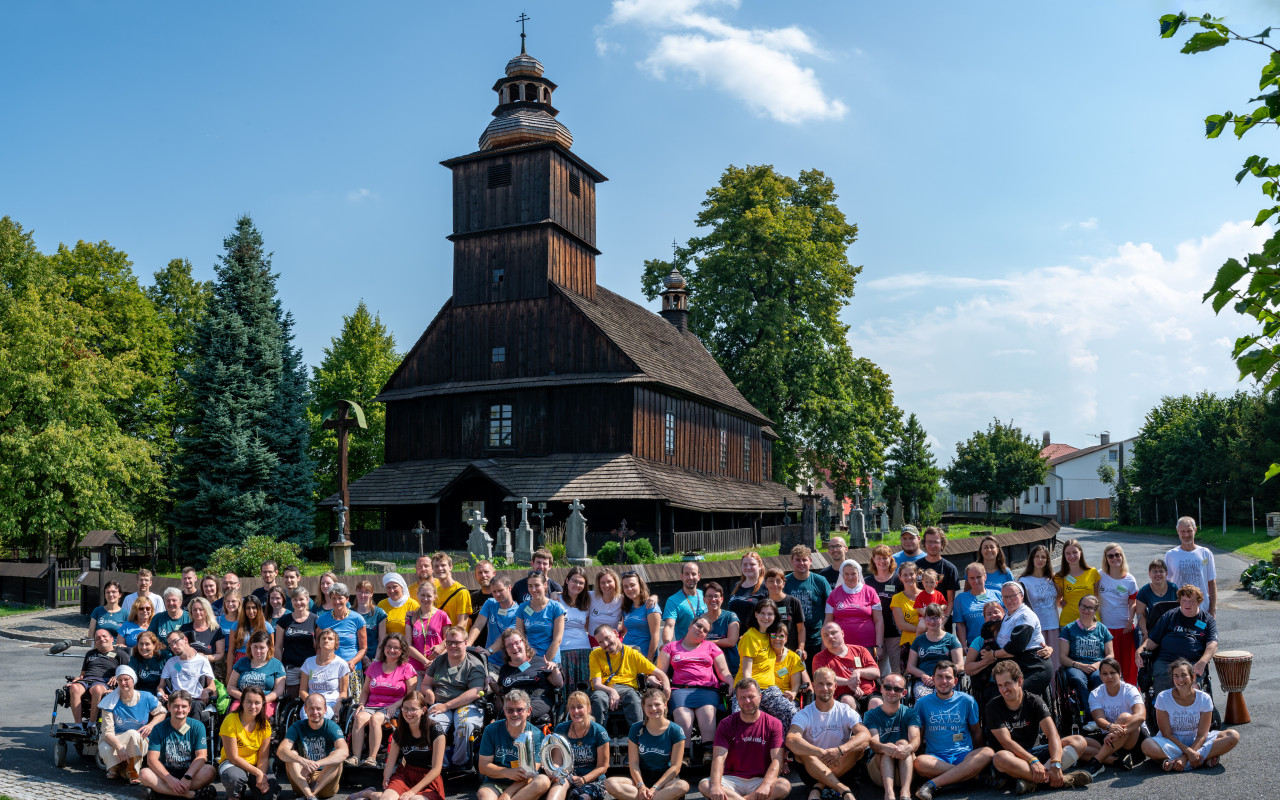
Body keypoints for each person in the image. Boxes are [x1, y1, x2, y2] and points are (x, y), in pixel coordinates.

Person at [986, 661, 1092, 793]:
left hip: (1035, 752)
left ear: (1019, 681)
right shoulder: (993, 707)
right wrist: (1031, 760)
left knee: (1079, 741)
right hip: (1013, 759)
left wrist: (1055, 763)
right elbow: (1006, 742)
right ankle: (1061, 780)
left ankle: (1032, 781)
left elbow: (1052, 734)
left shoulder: (1034, 700)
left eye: (1007, 684)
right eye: (1000, 685)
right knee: (1000, 757)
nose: (1003, 690)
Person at [910, 661, 992, 800]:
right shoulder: (922, 704)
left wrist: (978, 758)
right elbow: (920, 733)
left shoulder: (967, 700)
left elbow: (976, 731)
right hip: (936, 758)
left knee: (988, 752)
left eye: (948, 677)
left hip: (964, 756)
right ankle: (973, 777)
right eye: (939, 676)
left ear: (955, 681)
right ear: (933, 679)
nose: (943, 681)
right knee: (919, 762)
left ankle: (934, 783)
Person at [1141, 658, 1240, 771]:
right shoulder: (1163, 697)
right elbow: (1167, 734)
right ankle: (1201, 759)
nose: (1180, 679)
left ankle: (1177, 762)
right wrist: (1189, 752)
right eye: (1176, 676)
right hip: (1172, 743)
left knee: (1233, 735)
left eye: (1184, 675)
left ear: (1193, 677)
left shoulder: (1204, 698)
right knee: (1147, 745)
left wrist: (1185, 757)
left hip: (1197, 741)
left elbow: (1202, 735)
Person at [697, 679, 789, 800]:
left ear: (760, 697)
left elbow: (777, 760)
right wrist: (715, 786)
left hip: (761, 779)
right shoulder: (726, 723)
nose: (747, 701)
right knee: (705, 785)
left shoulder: (774, 723)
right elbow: (718, 758)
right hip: (732, 780)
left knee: (784, 786)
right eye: (742, 698)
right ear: (737, 699)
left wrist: (766, 785)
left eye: (751, 696)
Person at [785, 667, 869, 800]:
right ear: (813, 686)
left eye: (829, 684)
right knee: (801, 751)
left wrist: (840, 750)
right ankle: (843, 789)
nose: (825, 688)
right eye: (820, 684)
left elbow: (865, 735)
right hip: (812, 770)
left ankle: (819, 786)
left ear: (835, 686)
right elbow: (791, 739)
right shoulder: (805, 713)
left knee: (858, 747)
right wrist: (820, 752)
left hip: (843, 766)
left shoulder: (845, 710)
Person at [654, 616, 733, 749]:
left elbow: (724, 671)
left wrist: (731, 682)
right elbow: (660, 671)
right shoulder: (670, 647)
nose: (701, 630)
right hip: (680, 690)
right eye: (699, 626)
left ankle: (708, 752)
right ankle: (682, 755)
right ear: (691, 625)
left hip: (707, 690)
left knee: (707, 714)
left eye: (705, 630)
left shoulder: (711, 647)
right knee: (683, 718)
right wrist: (653, 678)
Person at [604, 687, 688, 800]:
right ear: (643, 707)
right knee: (610, 783)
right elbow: (633, 764)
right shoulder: (636, 728)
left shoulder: (676, 730)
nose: (653, 708)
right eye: (649, 705)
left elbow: (675, 767)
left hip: (665, 780)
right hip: (642, 778)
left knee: (683, 786)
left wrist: (655, 788)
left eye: (657, 704)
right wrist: (641, 786)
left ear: (665, 705)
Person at [421, 625, 487, 769]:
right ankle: (440, 763)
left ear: (465, 643)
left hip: (466, 704)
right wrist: (429, 693)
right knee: (432, 724)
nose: (452, 646)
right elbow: (426, 684)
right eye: (449, 642)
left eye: (457, 642)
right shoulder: (439, 661)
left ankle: (459, 762)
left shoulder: (474, 664)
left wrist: (446, 706)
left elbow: (476, 691)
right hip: (439, 704)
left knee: (465, 725)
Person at [1135, 584, 1218, 696]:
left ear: (1199, 602)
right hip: (1166, 661)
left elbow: (1212, 644)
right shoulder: (1169, 616)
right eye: (1184, 600)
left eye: (1191, 601)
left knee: (1193, 688)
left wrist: (1203, 661)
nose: (1187, 604)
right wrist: (1140, 650)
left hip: (1192, 661)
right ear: (1179, 601)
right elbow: (1152, 640)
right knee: (1164, 694)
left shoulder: (1207, 620)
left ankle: (1191, 711)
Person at [349, 632, 417, 767]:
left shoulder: (406, 668)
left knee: (376, 719)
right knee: (360, 717)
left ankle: (372, 758)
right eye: (389, 646)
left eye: (396, 647)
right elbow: (366, 690)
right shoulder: (375, 666)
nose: (392, 650)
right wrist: (361, 704)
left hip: (394, 707)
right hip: (372, 705)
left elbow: (411, 695)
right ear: (383, 648)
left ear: (402, 650)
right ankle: (355, 757)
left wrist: (396, 705)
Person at [139, 690, 218, 800]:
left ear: (189, 708)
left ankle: (162, 792)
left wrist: (187, 777)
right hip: (165, 773)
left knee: (210, 770)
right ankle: (192, 795)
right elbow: (152, 760)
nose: (180, 710)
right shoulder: (158, 728)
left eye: (184, 706)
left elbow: (202, 756)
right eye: (176, 706)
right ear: (169, 707)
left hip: (190, 774)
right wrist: (169, 780)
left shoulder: (198, 726)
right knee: (144, 774)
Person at [477, 690, 552, 800]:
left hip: (523, 784)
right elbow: (483, 767)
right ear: (504, 710)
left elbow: (530, 773)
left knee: (543, 782)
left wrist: (507, 794)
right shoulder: (491, 730)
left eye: (519, 710)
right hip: (496, 782)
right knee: (484, 795)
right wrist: (507, 772)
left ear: (529, 711)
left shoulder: (537, 735)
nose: (515, 714)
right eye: (510, 710)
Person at [589, 623, 667, 727]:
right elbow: (596, 684)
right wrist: (612, 691)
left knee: (633, 697)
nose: (606, 643)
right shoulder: (595, 655)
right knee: (598, 698)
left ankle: (638, 735)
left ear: (616, 633)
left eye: (607, 638)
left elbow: (660, 673)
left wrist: (667, 689)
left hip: (627, 688)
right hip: (604, 689)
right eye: (601, 642)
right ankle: (597, 736)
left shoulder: (632, 653)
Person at [734, 599, 796, 728]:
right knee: (742, 718)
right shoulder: (750, 636)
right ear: (756, 614)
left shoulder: (771, 636)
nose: (766, 617)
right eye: (762, 613)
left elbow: (784, 649)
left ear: (775, 616)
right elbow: (747, 672)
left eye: (770, 614)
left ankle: (783, 746)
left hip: (769, 689)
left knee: (792, 713)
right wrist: (751, 695)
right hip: (748, 688)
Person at [98, 664, 165, 783]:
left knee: (133, 734)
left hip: (140, 738)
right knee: (105, 746)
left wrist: (150, 725)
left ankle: (131, 770)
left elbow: (162, 713)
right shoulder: (109, 702)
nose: (123, 683)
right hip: (116, 738)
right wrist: (119, 747)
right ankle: (117, 767)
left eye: (126, 679)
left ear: (133, 680)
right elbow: (107, 733)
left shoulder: (146, 697)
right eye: (120, 680)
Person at [278, 692, 349, 800]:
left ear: (325, 710)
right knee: (291, 754)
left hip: (325, 780)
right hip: (302, 780)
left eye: (318, 709)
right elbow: (281, 751)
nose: (315, 712)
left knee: (336, 756)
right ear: (305, 709)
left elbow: (344, 752)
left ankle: (310, 795)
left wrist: (316, 764)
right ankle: (310, 796)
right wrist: (302, 761)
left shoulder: (331, 726)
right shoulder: (297, 726)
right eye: (311, 708)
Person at [1082, 657, 1147, 770]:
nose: (1109, 677)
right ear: (1100, 676)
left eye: (1112, 673)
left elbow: (1141, 716)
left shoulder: (1130, 689)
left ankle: (1096, 761)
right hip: (1109, 736)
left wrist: (1119, 731)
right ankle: (1117, 761)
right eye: (1105, 674)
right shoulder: (1095, 694)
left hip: (1134, 736)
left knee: (1125, 716)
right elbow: (1099, 719)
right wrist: (1111, 727)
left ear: (1119, 674)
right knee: (1078, 744)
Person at [864, 671, 921, 800]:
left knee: (904, 744)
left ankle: (905, 794)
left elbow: (916, 738)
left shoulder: (910, 713)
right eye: (888, 687)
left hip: (905, 768)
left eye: (897, 689)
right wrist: (886, 748)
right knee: (886, 747)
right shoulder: (871, 715)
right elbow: (873, 743)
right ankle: (889, 795)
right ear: (881, 689)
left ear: (904, 693)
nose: (892, 692)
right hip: (879, 771)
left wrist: (908, 748)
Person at [379, 690, 446, 800]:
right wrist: (386, 777)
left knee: (414, 799)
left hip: (428, 780)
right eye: (405, 708)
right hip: (405, 776)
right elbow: (390, 764)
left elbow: (436, 769)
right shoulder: (400, 731)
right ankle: (372, 794)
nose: (408, 713)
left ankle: (370, 794)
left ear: (423, 710)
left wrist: (412, 791)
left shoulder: (435, 729)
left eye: (413, 709)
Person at [218, 685, 280, 800]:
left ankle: (251, 784)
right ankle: (235, 793)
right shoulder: (230, 720)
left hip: (255, 763)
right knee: (233, 778)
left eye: (257, 702)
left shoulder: (265, 725)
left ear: (262, 705)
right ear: (241, 702)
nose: (253, 706)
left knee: (269, 794)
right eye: (249, 702)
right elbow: (233, 758)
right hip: (232, 763)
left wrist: (262, 776)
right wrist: (259, 773)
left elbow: (263, 757)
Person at [994, 582, 1053, 700]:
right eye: (1005, 597)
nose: (1009, 600)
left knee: (1015, 695)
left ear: (1022, 596)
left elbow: (1017, 646)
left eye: (1013, 596)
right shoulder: (1007, 615)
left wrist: (993, 655)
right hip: (1015, 667)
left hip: (1033, 665)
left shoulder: (1025, 615)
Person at [67, 628, 131, 730]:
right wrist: (77, 679)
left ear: (111, 639)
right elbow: (82, 674)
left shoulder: (120, 654)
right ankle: (78, 726)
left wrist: (118, 676)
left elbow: (128, 673)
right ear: (95, 642)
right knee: (74, 687)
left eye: (104, 636)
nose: (101, 639)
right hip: (87, 679)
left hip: (104, 681)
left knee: (97, 689)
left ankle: (91, 724)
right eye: (98, 638)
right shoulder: (90, 654)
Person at [551, 691, 610, 800]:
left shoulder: (599, 732)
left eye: (580, 707)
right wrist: (555, 772)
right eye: (572, 707)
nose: (576, 711)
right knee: (554, 794)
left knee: (580, 797)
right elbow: (557, 761)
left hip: (593, 779)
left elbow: (603, 766)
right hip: (568, 776)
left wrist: (584, 779)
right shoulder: (561, 729)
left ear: (589, 709)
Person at [499, 628, 565, 724]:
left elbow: (559, 683)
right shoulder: (505, 669)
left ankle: (523, 738)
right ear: (506, 649)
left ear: (524, 643)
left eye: (517, 642)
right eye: (509, 645)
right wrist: (491, 681)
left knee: (521, 713)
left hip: (537, 700)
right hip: (513, 702)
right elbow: (500, 691)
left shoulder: (540, 662)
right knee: (502, 717)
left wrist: (554, 668)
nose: (514, 647)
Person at [824, 558, 884, 660]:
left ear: (859, 574)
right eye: (846, 574)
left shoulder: (870, 592)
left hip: (867, 645)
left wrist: (879, 645)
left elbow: (879, 620)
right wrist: (824, 644)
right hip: (841, 646)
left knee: (867, 674)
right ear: (842, 575)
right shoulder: (833, 594)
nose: (850, 577)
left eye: (853, 574)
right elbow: (828, 622)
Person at [812, 622, 881, 711]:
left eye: (833, 633)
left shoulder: (860, 650)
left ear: (842, 633)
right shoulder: (820, 657)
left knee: (876, 703)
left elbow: (876, 672)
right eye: (826, 635)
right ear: (822, 640)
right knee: (847, 701)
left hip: (869, 693)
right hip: (842, 695)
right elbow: (822, 678)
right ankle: (854, 725)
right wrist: (848, 682)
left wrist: (859, 671)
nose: (830, 637)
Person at [1059, 596, 1114, 704]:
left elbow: (1110, 655)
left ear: (1095, 610)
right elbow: (1063, 657)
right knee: (1077, 679)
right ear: (1079, 607)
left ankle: (1100, 708)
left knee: (1099, 678)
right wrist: (1080, 666)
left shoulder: (1102, 629)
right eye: (1083, 606)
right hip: (1076, 666)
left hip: (1097, 666)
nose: (1086, 610)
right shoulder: (1068, 629)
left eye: (1090, 608)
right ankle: (1088, 713)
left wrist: (1098, 665)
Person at [786, 545, 833, 668]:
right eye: (798, 560)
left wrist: (825, 637)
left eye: (804, 560)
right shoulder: (785, 582)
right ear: (791, 561)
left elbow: (830, 608)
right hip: (791, 638)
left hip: (816, 638)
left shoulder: (820, 581)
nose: (801, 563)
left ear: (810, 561)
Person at [1098, 543, 1139, 684]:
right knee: (1111, 664)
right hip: (1106, 628)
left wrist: (1130, 620)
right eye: (1110, 556)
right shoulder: (1100, 575)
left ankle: (1132, 692)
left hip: (1125, 628)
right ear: (1106, 558)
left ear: (1122, 556)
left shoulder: (1130, 580)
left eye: (1117, 555)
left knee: (1129, 664)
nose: (1114, 558)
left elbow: (1133, 602)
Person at [906, 605, 964, 700]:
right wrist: (923, 675)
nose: (932, 621)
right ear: (924, 619)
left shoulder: (951, 639)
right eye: (929, 618)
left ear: (942, 618)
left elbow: (960, 665)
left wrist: (941, 676)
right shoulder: (918, 641)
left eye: (935, 618)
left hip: (946, 680)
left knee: (943, 695)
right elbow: (910, 667)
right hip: (925, 681)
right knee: (924, 698)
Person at [1019, 545, 1062, 671]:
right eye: (1037, 556)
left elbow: (1059, 598)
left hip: (1053, 625)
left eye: (1043, 557)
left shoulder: (1053, 578)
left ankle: (1056, 691)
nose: (1040, 559)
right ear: (1031, 559)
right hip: (1036, 628)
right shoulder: (1024, 580)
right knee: (1040, 664)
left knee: (1055, 663)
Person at [160, 630, 217, 722]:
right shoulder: (171, 662)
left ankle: (192, 734)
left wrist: (206, 690)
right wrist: (161, 692)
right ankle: (178, 734)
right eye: (170, 645)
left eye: (175, 641)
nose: (173, 646)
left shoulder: (202, 661)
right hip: (176, 698)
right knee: (174, 707)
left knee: (195, 706)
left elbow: (212, 685)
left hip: (195, 700)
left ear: (185, 639)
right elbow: (161, 685)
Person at [1165, 517, 1217, 617]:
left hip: (1202, 609)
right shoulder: (1170, 554)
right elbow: (1167, 584)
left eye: (1189, 531)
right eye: (1183, 531)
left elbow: (1212, 582)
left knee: (1201, 632)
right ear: (1177, 531)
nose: (1186, 535)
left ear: (1195, 530)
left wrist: (1212, 610)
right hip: (1179, 610)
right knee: (1180, 633)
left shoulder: (1206, 553)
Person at [470, 574, 522, 673]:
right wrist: (467, 644)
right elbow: (478, 625)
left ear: (509, 588)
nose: (497, 594)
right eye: (494, 591)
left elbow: (506, 637)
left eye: (500, 590)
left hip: (510, 663)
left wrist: (488, 651)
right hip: (491, 662)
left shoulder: (518, 612)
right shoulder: (490, 603)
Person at [229, 630, 286, 717]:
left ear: (269, 647)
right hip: (243, 700)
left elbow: (278, 690)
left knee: (261, 717)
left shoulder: (276, 665)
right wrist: (245, 698)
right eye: (255, 647)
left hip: (266, 702)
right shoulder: (241, 662)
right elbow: (230, 686)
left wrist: (261, 700)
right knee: (234, 716)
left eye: (262, 647)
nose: (258, 651)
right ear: (250, 646)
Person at [317, 582, 368, 678]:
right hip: (329, 669)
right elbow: (319, 647)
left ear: (347, 599)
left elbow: (363, 648)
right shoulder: (322, 620)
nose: (337, 602)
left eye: (340, 598)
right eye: (333, 598)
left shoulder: (358, 619)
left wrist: (352, 662)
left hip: (352, 669)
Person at [863, 546, 900, 675]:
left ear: (891, 559)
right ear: (873, 560)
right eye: (878, 558)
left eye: (885, 558)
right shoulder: (867, 582)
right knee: (878, 669)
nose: (882, 561)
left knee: (897, 669)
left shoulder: (898, 580)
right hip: (875, 633)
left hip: (894, 632)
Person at [276, 586, 319, 698]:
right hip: (291, 667)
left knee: (310, 699)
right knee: (292, 700)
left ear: (307, 600)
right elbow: (278, 647)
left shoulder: (316, 620)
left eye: (301, 599)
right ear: (291, 601)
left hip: (310, 667)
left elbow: (319, 647)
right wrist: (279, 667)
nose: (298, 602)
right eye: (295, 599)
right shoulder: (283, 620)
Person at [300, 627, 351, 720]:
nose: (326, 640)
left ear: (336, 644)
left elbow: (343, 692)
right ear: (319, 642)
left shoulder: (341, 664)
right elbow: (302, 690)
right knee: (305, 717)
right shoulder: (308, 662)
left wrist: (339, 703)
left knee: (323, 717)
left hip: (330, 703)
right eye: (323, 638)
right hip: (311, 703)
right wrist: (310, 702)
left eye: (330, 639)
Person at [517, 570, 567, 663]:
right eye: (530, 586)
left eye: (537, 585)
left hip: (550, 660)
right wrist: (528, 660)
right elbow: (520, 638)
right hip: (529, 659)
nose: (533, 589)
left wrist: (545, 662)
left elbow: (557, 640)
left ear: (545, 585)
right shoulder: (522, 608)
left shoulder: (556, 608)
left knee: (555, 677)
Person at [558, 566, 595, 689]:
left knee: (584, 687)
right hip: (563, 650)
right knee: (565, 687)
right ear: (567, 580)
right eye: (574, 581)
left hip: (584, 649)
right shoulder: (557, 599)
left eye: (581, 583)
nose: (577, 585)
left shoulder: (587, 601)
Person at [407, 581, 452, 673]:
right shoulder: (411, 617)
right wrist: (426, 661)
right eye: (422, 595)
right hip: (416, 667)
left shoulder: (442, 615)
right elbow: (408, 645)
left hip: (438, 665)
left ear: (435, 597)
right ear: (417, 595)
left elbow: (449, 640)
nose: (425, 599)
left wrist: (436, 661)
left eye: (429, 596)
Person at [953, 563, 1001, 648]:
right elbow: (960, 625)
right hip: (975, 646)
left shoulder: (997, 595)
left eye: (979, 577)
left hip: (1000, 643)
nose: (976, 581)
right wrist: (963, 646)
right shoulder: (961, 599)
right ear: (967, 579)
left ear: (985, 577)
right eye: (972, 578)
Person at [1055, 539, 1099, 628]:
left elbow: (1097, 598)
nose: (1072, 556)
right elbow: (1056, 601)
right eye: (1068, 553)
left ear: (1080, 552)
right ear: (1064, 555)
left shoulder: (1092, 572)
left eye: (1075, 552)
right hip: (1068, 622)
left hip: (1090, 622)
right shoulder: (1060, 577)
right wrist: (1060, 604)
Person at [660, 561, 707, 646]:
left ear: (699, 577)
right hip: (685, 648)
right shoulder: (673, 600)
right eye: (686, 574)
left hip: (707, 645)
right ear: (681, 576)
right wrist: (666, 645)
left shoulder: (706, 595)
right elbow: (669, 626)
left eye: (693, 574)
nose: (690, 577)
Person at [700, 581, 741, 677]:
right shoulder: (699, 620)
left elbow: (731, 641)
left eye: (716, 596)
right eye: (709, 596)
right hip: (707, 670)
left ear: (722, 599)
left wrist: (706, 642)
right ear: (704, 599)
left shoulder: (731, 616)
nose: (713, 599)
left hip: (730, 669)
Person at [227, 594, 274, 678]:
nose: (251, 611)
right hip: (240, 664)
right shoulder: (236, 626)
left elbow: (271, 651)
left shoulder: (267, 627)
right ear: (244, 609)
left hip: (261, 663)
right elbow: (231, 651)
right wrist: (229, 672)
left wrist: (271, 670)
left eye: (254, 607)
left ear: (259, 608)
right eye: (248, 608)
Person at [763, 568, 806, 657]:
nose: (775, 584)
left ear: (783, 584)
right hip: (769, 654)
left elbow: (801, 629)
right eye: (771, 581)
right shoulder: (762, 604)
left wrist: (801, 648)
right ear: (765, 584)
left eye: (778, 581)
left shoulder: (793, 602)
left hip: (792, 652)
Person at [620, 570, 661, 662]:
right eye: (625, 586)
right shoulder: (626, 607)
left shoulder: (650, 606)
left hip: (644, 656)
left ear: (640, 585)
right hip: (627, 655)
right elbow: (624, 630)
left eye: (632, 585)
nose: (629, 589)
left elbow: (655, 636)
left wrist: (649, 660)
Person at [918, 527, 961, 615]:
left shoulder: (950, 569)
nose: (932, 545)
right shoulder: (916, 566)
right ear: (924, 543)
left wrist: (944, 619)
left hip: (942, 618)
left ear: (942, 544)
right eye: (929, 542)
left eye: (936, 542)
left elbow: (950, 601)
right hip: (919, 619)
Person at [179, 598, 226, 676]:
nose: (198, 612)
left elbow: (220, 654)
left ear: (207, 611)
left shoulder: (216, 630)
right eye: (195, 610)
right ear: (191, 611)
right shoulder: (184, 629)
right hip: (185, 672)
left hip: (206, 673)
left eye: (201, 609)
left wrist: (204, 657)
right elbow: (176, 652)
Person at [1135, 558, 1178, 641]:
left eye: (1161, 571)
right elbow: (1140, 615)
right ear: (1149, 574)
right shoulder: (1143, 592)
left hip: (1170, 629)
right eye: (1154, 571)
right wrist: (1146, 633)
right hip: (1152, 629)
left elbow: (1179, 610)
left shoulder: (1173, 588)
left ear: (1166, 574)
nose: (1158, 574)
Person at [890, 560, 923, 667]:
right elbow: (901, 625)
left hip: (929, 641)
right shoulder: (897, 598)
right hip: (909, 644)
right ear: (900, 577)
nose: (908, 577)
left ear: (916, 575)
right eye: (905, 575)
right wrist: (923, 629)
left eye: (911, 574)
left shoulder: (927, 594)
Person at [727, 551, 769, 623]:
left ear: (760, 566)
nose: (748, 567)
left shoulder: (766, 586)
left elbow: (775, 616)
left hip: (756, 633)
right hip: (736, 633)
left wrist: (775, 634)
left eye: (752, 564)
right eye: (745, 564)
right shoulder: (737, 586)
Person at [151, 588, 192, 658]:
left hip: (183, 656)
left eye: (174, 600)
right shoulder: (157, 618)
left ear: (180, 602)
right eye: (168, 600)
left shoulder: (189, 617)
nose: (171, 603)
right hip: (162, 657)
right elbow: (150, 638)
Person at [353, 580, 387, 662]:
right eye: (360, 591)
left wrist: (375, 661)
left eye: (366, 592)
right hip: (354, 658)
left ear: (371, 594)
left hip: (374, 657)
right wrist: (361, 656)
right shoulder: (350, 613)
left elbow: (382, 641)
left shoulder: (379, 613)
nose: (363, 595)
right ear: (356, 592)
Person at [378, 573, 420, 638]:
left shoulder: (413, 605)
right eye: (388, 587)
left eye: (395, 587)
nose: (392, 591)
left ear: (401, 586)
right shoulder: (381, 605)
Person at [588, 567, 624, 635]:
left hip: (612, 641)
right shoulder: (591, 596)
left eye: (609, 581)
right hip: (593, 639)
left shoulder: (622, 599)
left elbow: (639, 598)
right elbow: (573, 594)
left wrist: (651, 597)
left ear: (615, 582)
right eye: (603, 582)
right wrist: (561, 595)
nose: (606, 585)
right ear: (599, 584)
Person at [130, 631, 167, 696]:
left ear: (154, 645)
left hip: (161, 692)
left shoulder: (164, 657)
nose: (143, 647)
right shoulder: (134, 658)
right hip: (141, 693)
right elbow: (130, 676)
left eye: (147, 644)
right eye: (141, 644)